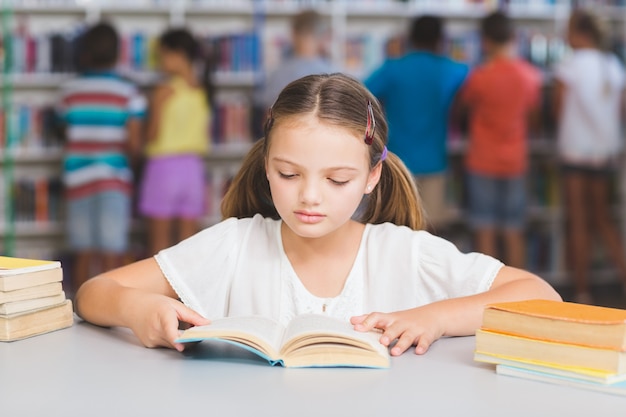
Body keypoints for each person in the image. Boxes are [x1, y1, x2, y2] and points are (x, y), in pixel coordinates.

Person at [75, 73, 560, 356]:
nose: (310, 197)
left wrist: (432, 318)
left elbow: (540, 296)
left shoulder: (403, 252)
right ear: (266, 166)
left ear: (372, 176)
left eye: (337, 180)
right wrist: (139, 309)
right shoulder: (235, 243)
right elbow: (95, 292)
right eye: (288, 174)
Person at [57, 21, 146, 294]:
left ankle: (81, 309)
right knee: (112, 252)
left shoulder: (69, 90)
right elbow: (133, 143)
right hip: (113, 179)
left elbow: (64, 129)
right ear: (118, 53)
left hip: (77, 177)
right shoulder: (128, 92)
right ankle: (108, 311)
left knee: (82, 250)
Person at [364, 15, 469, 230]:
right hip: (435, 161)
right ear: (441, 40)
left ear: (409, 38)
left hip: (397, 160)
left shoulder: (393, 68)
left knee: (394, 227)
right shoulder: (455, 70)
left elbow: (359, 95)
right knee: (429, 231)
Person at [457, 11, 542, 269]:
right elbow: (534, 119)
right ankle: (517, 298)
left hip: (482, 160)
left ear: (485, 41)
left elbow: (463, 110)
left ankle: (488, 297)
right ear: (514, 38)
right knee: (514, 230)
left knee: (485, 230)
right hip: (515, 161)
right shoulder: (530, 76)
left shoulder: (480, 77)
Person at [553, 9, 626, 304]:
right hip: (605, 153)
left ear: (578, 33)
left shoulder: (569, 65)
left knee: (579, 222)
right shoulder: (613, 65)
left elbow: (557, 110)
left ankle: (582, 292)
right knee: (604, 220)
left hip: (574, 152)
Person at [137, 28, 212, 256]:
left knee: (158, 249)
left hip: (163, 169)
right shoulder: (202, 89)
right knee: (189, 251)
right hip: (193, 170)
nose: (159, 63)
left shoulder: (164, 90)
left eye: (162, 56)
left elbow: (151, 134)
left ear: (178, 54)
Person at [253, 9, 334, 137]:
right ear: (323, 37)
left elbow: (263, 120)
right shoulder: (335, 74)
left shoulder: (277, 74)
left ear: (293, 34)